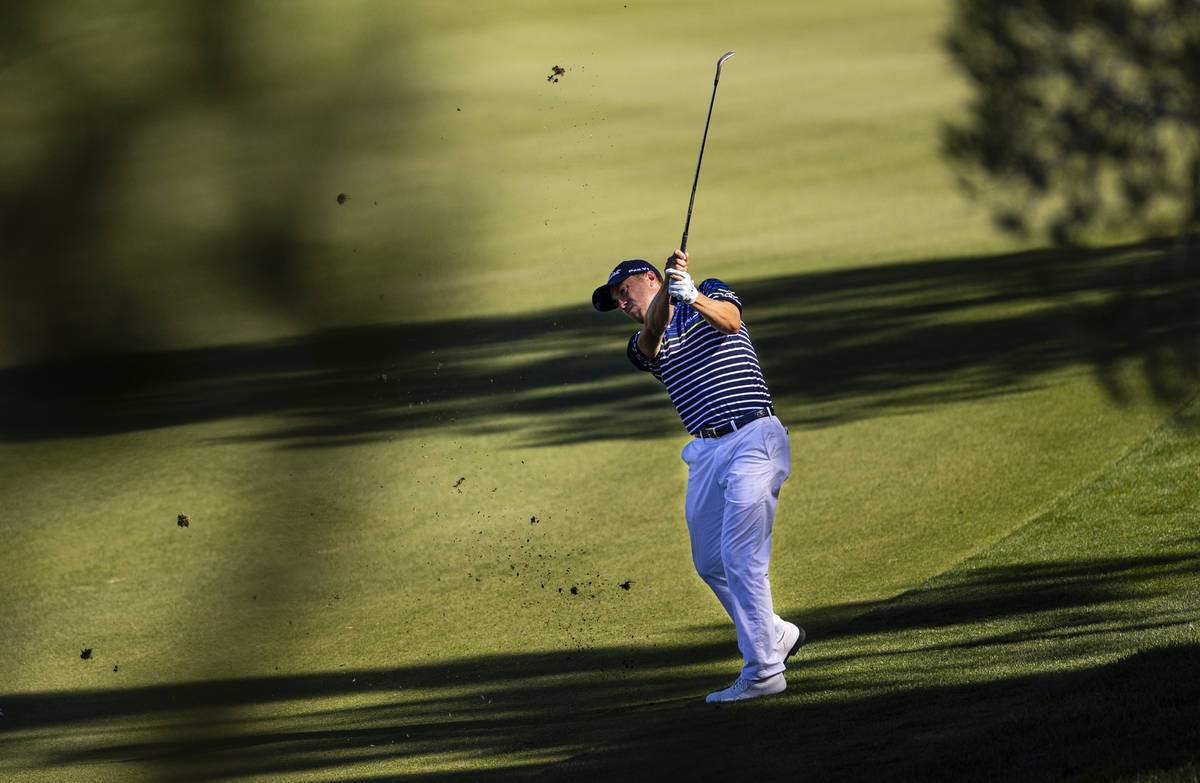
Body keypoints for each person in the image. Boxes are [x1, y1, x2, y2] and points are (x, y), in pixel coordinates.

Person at [592, 250, 804, 703]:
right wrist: (671, 294)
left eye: (625, 293)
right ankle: (775, 634)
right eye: (617, 303)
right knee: (710, 561)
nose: (624, 305)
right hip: (706, 453)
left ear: (649, 277)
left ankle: (765, 671)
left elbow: (730, 322)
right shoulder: (643, 344)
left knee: (740, 556)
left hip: (753, 436)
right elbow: (651, 333)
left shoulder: (708, 291)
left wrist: (691, 293)